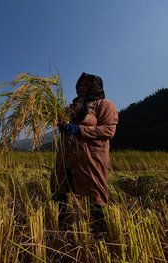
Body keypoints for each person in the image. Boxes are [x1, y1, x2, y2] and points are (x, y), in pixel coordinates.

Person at [50, 72, 118, 238]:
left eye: (86, 85)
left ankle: (99, 235)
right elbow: (62, 124)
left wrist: (80, 129)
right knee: (59, 189)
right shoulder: (72, 107)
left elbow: (109, 130)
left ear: (95, 86)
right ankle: (59, 229)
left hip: (91, 157)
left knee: (95, 194)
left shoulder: (104, 105)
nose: (81, 87)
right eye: (80, 85)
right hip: (67, 156)